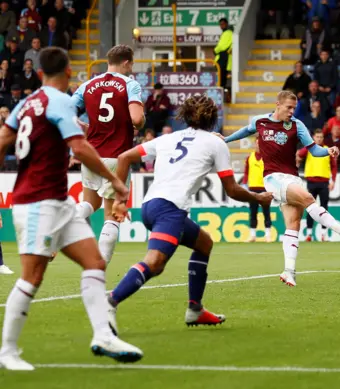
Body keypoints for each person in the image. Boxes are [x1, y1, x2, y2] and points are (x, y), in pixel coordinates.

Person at [0, 46, 143, 370]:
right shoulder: (61, 101)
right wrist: (116, 182)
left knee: (93, 262)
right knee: (31, 277)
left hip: (58, 201)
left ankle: (102, 335)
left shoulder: (25, 103)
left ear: (39, 74)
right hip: (37, 203)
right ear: (67, 73)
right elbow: (79, 146)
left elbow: (3, 138)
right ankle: (7, 351)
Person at [107, 95, 272, 332]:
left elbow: (124, 157)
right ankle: (109, 302)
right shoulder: (216, 143)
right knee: (155, 263)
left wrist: (121, 200)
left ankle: (195, 309)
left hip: (150, 205)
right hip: (169, 210)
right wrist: (258, 198)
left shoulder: (168, 138)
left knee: (204, 243)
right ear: (213, 118)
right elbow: (232, 190)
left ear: (184, 115)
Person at [223, 91, 340, 287]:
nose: (292, 112)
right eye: (288, 108)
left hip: (292, 177)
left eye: (294, 108)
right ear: (278, 104)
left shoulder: (297, 125)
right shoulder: (259, 121)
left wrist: (328, 150)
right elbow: (245, 131)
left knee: (294, 225)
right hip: (273, 179)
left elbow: (314, 150)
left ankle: (289, 271)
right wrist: (224, 140)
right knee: (309, 199)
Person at [71, 44, 146, 266]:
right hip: (117, 157)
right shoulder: (130, 84)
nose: (131, 68)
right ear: (126, 62)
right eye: (131, 64)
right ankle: (99, 267)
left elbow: (65, 113)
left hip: (92, 155)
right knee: (112, 215)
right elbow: (136, 119)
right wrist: (141, 122)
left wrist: (85, 127)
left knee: (89, 204)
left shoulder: (87, 85)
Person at [296, 129, 337, 242]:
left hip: (324, 182)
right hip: (312, 182)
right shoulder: (310, 149)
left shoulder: (327, 150)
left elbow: (333, 166)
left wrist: (333, 180)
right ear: (313, 138)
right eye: (317, 137)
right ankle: (309, 234)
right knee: (311, 208)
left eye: (321, 137)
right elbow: (299, 154)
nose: (319, 139)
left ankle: (323, 234)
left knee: (324, 208)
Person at [243, 142, 272, 242]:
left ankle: (268, 235)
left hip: (265, 188)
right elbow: (246, 172)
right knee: (253, 212)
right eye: (257, 143)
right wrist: (244, 184)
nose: (259, 145)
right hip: (253, 188)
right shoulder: (249, 158)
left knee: (266, 212)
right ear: (255, 145)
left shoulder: (268, 157)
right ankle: (253, 235)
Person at [214, 18, 232, 89]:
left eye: (223, 24)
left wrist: (215, 50)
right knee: (223, 79)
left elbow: (222, 46)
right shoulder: (227, 33)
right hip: (224, 58)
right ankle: (222, 93)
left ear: (226, 24)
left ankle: (221, 94)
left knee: (221, 79)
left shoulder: (227, 33)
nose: (221, 26)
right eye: (220, 25)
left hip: (223, 58)